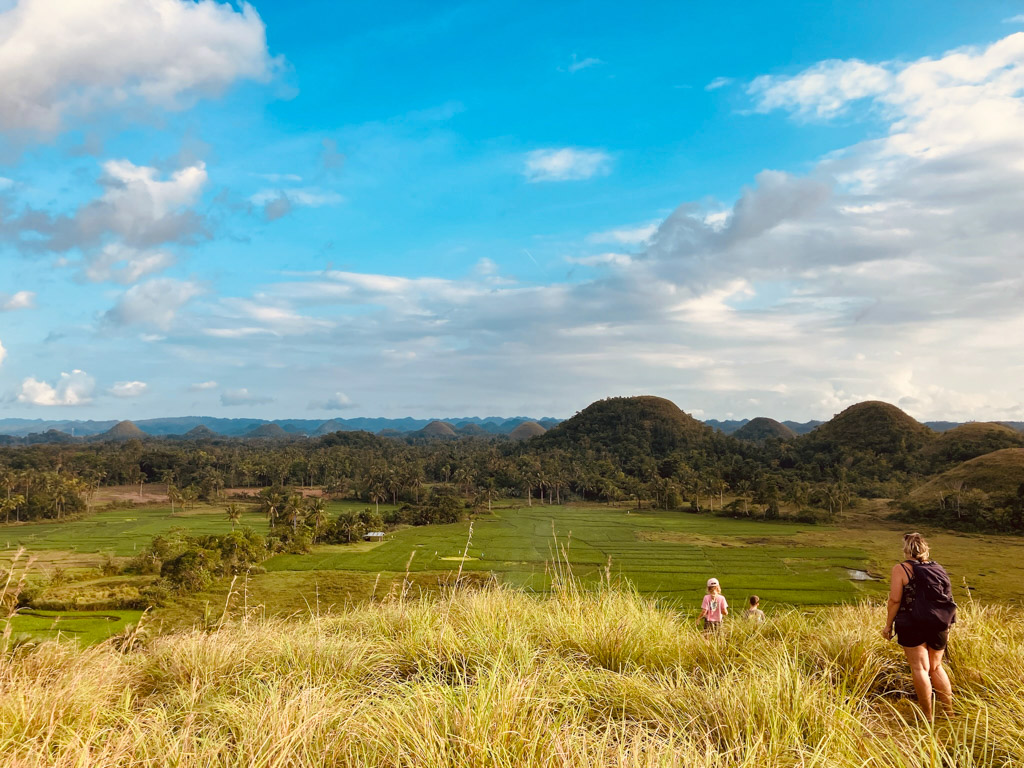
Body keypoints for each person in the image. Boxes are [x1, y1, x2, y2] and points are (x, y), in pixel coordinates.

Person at [882, 532, 956, 722]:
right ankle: (950, 713)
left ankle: (928, 717)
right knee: (936, 667)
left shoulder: (901, 569)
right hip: (939, 623)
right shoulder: (937, 568)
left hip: (912, 622)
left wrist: (888, 625)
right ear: (925, 549)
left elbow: (895, 599)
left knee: (920, 668)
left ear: (906, 550)